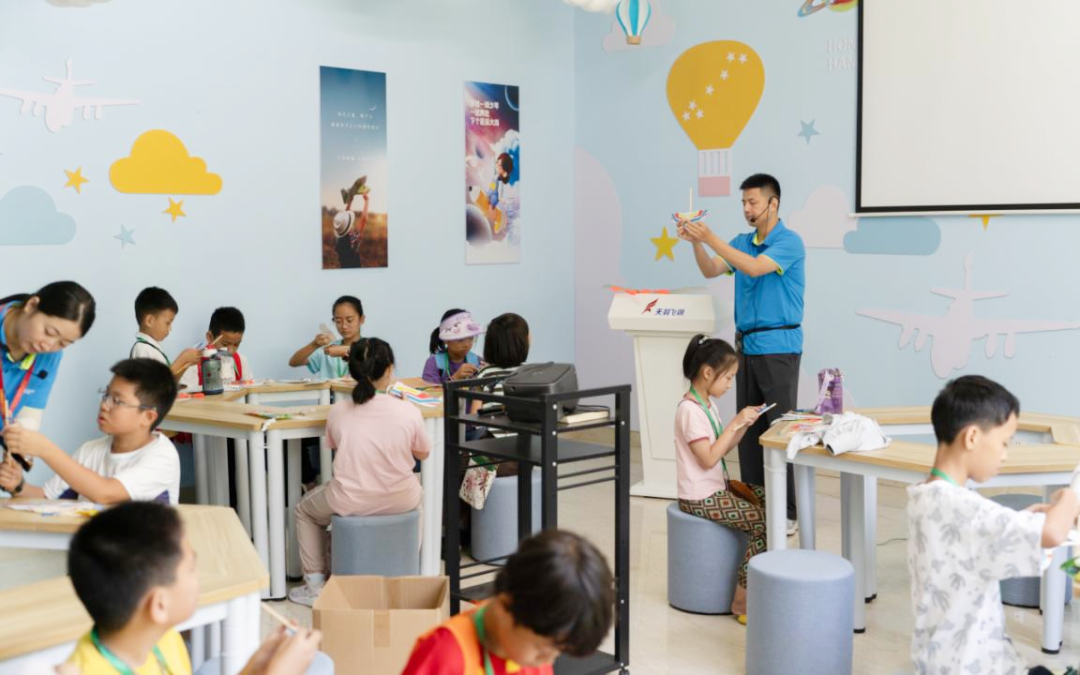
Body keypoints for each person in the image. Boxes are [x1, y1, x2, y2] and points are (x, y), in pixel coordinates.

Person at [908, 375, 1080, 674]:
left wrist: (1023, 522)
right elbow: (1052, 533)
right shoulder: (967, 510)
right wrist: (1071, 495)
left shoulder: (923, 496)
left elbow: (973, 547)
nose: (1005, 454)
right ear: (972, 437)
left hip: (936, 660)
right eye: (1003, 442)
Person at [678, 173, 805, 534]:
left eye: (753, 202)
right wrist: (696, 243)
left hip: (779, 348)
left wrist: (710, 237)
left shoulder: (789, 242)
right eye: (744, 203)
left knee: (780, 429)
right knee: (747, 429)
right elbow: (711, 268)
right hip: (745, 347)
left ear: (773, 203)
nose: (747, 209)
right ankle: (757, 503)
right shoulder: (740, 242)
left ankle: (788, 511)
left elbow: (755, 267)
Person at [64, 501, 323, 675]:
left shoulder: (161, 637)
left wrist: (258, 666)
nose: (199, 576)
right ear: (160, 605)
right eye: (191, 569)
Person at [289, 337, 431, 606]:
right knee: (419, 498)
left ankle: (315, 586)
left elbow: (336, 446)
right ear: (389, 369)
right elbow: (423, 454)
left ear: (352, 371)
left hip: (350, 500)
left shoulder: (338, 411)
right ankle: (408, 572)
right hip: (401, 498)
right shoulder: (408, 410)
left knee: (304, 511)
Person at [402, 529, 613, 674]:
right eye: (542, 648)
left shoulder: (531, 655)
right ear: (506, 607)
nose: (549, 660)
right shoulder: (446, 656)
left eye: (559, 651)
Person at [0, 358, 180, 505]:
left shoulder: (161, 457)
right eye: (106, 395)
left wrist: (45, 449)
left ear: (148, 417)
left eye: (117, 401)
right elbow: (47, 499)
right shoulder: (90, 450)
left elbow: (106, 494)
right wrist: (18, 485)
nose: (104, 405)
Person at [674, 335, 763, 623]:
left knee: (768, 499)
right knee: (761, 522)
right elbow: (709, 459)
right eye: (728, 377)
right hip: (699, 496)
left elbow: (723, 447)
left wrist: (743, 425)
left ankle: (763, 584)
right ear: (708, 372)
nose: (730, 384)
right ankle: (743, 602)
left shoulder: (707, 404)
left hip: (715, 487)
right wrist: (735, 422)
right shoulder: (690, 411)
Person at [0, 281, 96, 436]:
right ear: (31, 305)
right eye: (49, 332)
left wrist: (21, 444)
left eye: (63, 343)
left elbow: (30, 412)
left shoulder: (51, 356)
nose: (48, 346)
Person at [129, 287, 201, 384]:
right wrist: (182, 359)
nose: (170, 328)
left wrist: (186, 364)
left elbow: (170, 382)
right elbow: (158, 384)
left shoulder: (151, 348)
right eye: (167, 323)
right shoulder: (143, 350)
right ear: (150, 321)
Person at [288, 295, 365, 380]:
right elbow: (293, 362)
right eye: (338, 321)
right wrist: (314, 345)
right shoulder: (328, 349)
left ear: (362, 319)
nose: (344, 326)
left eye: (349, 320)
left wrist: (345, 350)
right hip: (328, 389)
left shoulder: (371, 347)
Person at [179, 306, 253, 390]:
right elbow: (186, 395)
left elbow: (251, 391)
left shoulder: (241, 361)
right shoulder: (193, 365)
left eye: (236, 344)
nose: (231, 351)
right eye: (225, 344)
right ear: (210, 337)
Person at [422, 309, 484, 385]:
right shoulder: (434, 363)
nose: (467, 344)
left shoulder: (478, 361)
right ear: (446, 339)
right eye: (460, 340)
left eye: (471, 338)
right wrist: (455, 378)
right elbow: (428, 390)